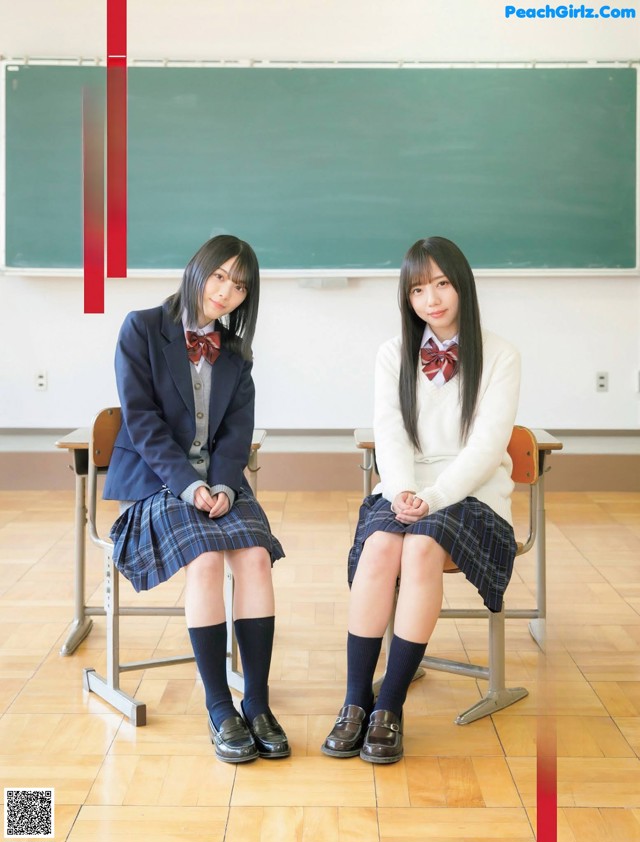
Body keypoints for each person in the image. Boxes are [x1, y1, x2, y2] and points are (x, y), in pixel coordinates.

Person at [322, 236, 520, 764]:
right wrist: (404, 491)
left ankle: (390, 705)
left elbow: (485, 447)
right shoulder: (394, 353)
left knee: (422, 547)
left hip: (472, 495)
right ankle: (354, 704)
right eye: (417, 289)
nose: (430, 298)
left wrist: (432, 498)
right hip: (405, 487)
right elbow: (390, 434)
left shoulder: (499, 354)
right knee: (383, 545)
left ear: (461, 286)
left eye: (441, 283)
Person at [103, 234, 289, 764]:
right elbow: (141, 423)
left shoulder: (236, 352)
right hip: (158, 481)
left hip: (223, 481)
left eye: (240, 285)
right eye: (220, 276)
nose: (227, 291)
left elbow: (236, 431)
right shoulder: (141, 327)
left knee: (255, 557)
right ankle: (218, 706)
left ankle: (256, 702)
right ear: (197, 270)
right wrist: (191, 484)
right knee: (206, 559)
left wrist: (226, 484)